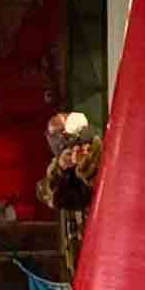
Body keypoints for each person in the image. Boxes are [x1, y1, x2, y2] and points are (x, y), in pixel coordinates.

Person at [36, 111, 102, 281]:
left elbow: (103, 187)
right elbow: (49, 195)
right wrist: (61, 167)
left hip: (103, 246)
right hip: (79, 258)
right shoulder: (59, 166)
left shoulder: (99, 153)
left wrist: (84, 163)